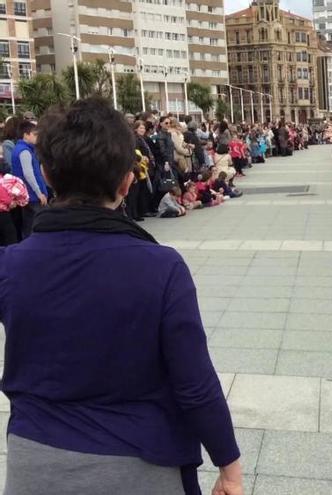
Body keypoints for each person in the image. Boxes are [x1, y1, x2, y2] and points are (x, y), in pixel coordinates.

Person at [0, 97, 242, 494]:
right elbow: (194, 383)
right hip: (139, 461)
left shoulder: (11, 265)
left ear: (44, 174)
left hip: (35, 460)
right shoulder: (161, 268)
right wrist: (227, 463)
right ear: (127, 182)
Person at [10, 121, 47, 239]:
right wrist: (39, 193)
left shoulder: (19, 148)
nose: (37, 137)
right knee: (36, 224)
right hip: (32, 195)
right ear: (26, 135)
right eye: (34, 134)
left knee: (28, 224)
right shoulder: (24, 151)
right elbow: (28, 174)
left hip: (25, 194)